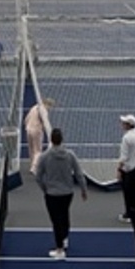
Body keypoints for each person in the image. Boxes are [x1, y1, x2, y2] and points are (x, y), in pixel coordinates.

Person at [33, 127, 88, 260]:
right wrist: (83, 189)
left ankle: (60, 249)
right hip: (67, 193)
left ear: (51, 140)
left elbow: (38, 175)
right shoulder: (70, 155)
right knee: (64, 216)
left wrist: (44, 188)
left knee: (56, 221)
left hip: (52, 194)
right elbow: (79, 173)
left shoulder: (45, 156)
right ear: (61, 139)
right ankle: (64, 237)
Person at [116, 113, 135, 222]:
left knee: (128, 194)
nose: (122, 124)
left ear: (128, 125)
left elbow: (124, 157)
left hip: (128, 170)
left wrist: (119, 170)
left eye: (124, 123)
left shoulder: (126, 138)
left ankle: (129, 214)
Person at [25, 97, 55, 174]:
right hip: (36, 131)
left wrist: (27, 126)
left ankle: (32, 164)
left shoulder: (34, 108)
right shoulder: (43, 111)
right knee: (37, 150)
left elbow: (26, 119)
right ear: (47, 104)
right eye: (50, 106)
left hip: (28, 130)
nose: (50, 109)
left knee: (31, 149)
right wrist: (49, 133)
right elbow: (45, 123)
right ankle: (34, 168)